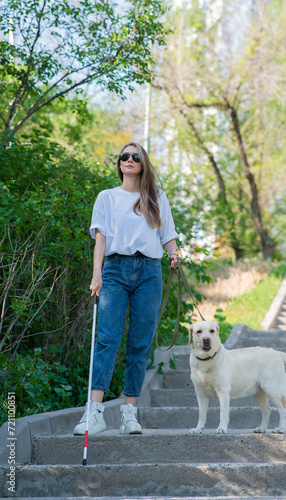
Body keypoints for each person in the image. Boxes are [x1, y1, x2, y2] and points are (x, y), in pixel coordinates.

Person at [73, 142, 179, 436]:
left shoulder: (157, 197)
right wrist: (97, 275)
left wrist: (174, 254)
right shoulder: (107, 197)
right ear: (118, 163)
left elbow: (167, 234)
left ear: (143, 163)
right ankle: (94, 413)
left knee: (140, 343)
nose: (129, 160)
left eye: (135, 156)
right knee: (107, 338)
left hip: (149, 271)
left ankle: (129, 413)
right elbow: (101, 240)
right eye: (124, 156)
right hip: (115, 270)